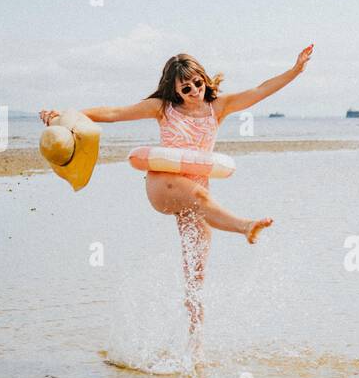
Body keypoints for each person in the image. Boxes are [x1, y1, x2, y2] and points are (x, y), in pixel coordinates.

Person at [39, 45, 313, 341]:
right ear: (175, 88)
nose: (193, 90)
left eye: (197, 82)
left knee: (196, 278)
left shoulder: (218, 107)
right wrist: (67, 116)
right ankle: (245, 226)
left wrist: (295, 70)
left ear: (203, 80)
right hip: (163, 186)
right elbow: (115, 112)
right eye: (186, 86)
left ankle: (194, 354)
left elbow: (261, 90)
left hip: (195, 194)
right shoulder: (162, 108)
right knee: (203, 198)